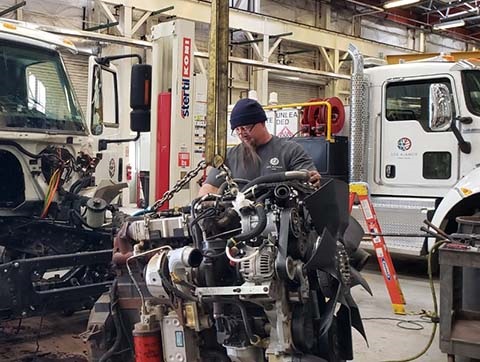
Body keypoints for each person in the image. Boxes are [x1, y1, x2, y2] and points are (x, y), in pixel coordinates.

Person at [199, 98, 321, 196]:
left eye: (246, 127)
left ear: (262, 123)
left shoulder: (290, 151)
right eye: (237, 129)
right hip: (240, 222)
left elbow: (309, 179)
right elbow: (208, 189)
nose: (242, 133)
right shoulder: (228, 157)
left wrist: (311, 179)